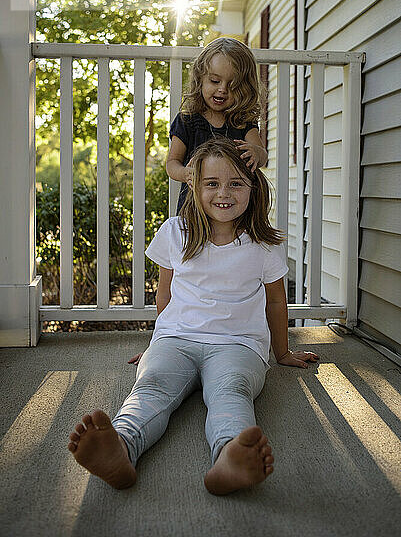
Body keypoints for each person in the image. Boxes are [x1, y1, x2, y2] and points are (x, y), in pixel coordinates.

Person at [68, 138, 319, 495]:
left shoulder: (264, 243)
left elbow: (276, 303)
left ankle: (230, 456)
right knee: (151, 384)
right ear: (195, 186)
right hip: (176, 339)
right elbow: (165, 294)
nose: (224, 192)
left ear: (253, 187)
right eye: (212, 183)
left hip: (238, 345)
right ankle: (120, 447)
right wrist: (157, 344)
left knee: (230, 392)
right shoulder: (175, 233)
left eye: (236, 183)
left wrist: (281, 353)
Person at [166, 37, 268, 213]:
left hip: (234, 209)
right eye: (215, 81)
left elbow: (262, 156)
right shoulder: (188, 121)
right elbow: (172, 163)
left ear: (245, 88)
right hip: (195, 209)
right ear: (200, 80)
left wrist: (255, 153)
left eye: (233, 85)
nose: (222, 89)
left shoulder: (242, 122)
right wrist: (186, 173)